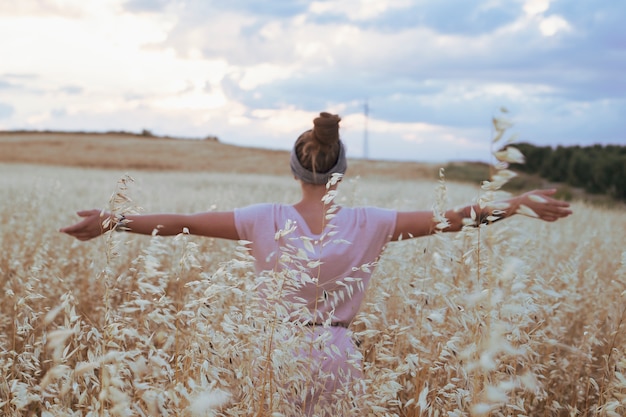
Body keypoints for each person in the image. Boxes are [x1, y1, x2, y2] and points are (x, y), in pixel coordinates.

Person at [60, 112, 572, 415]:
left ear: (295, 168)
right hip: (337, 352)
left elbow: (186, 223)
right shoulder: (372, 222)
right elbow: (456, 218)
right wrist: (518, 203)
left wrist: (116, 220)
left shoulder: (264, 218)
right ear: (340, 171)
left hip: (273, 352)